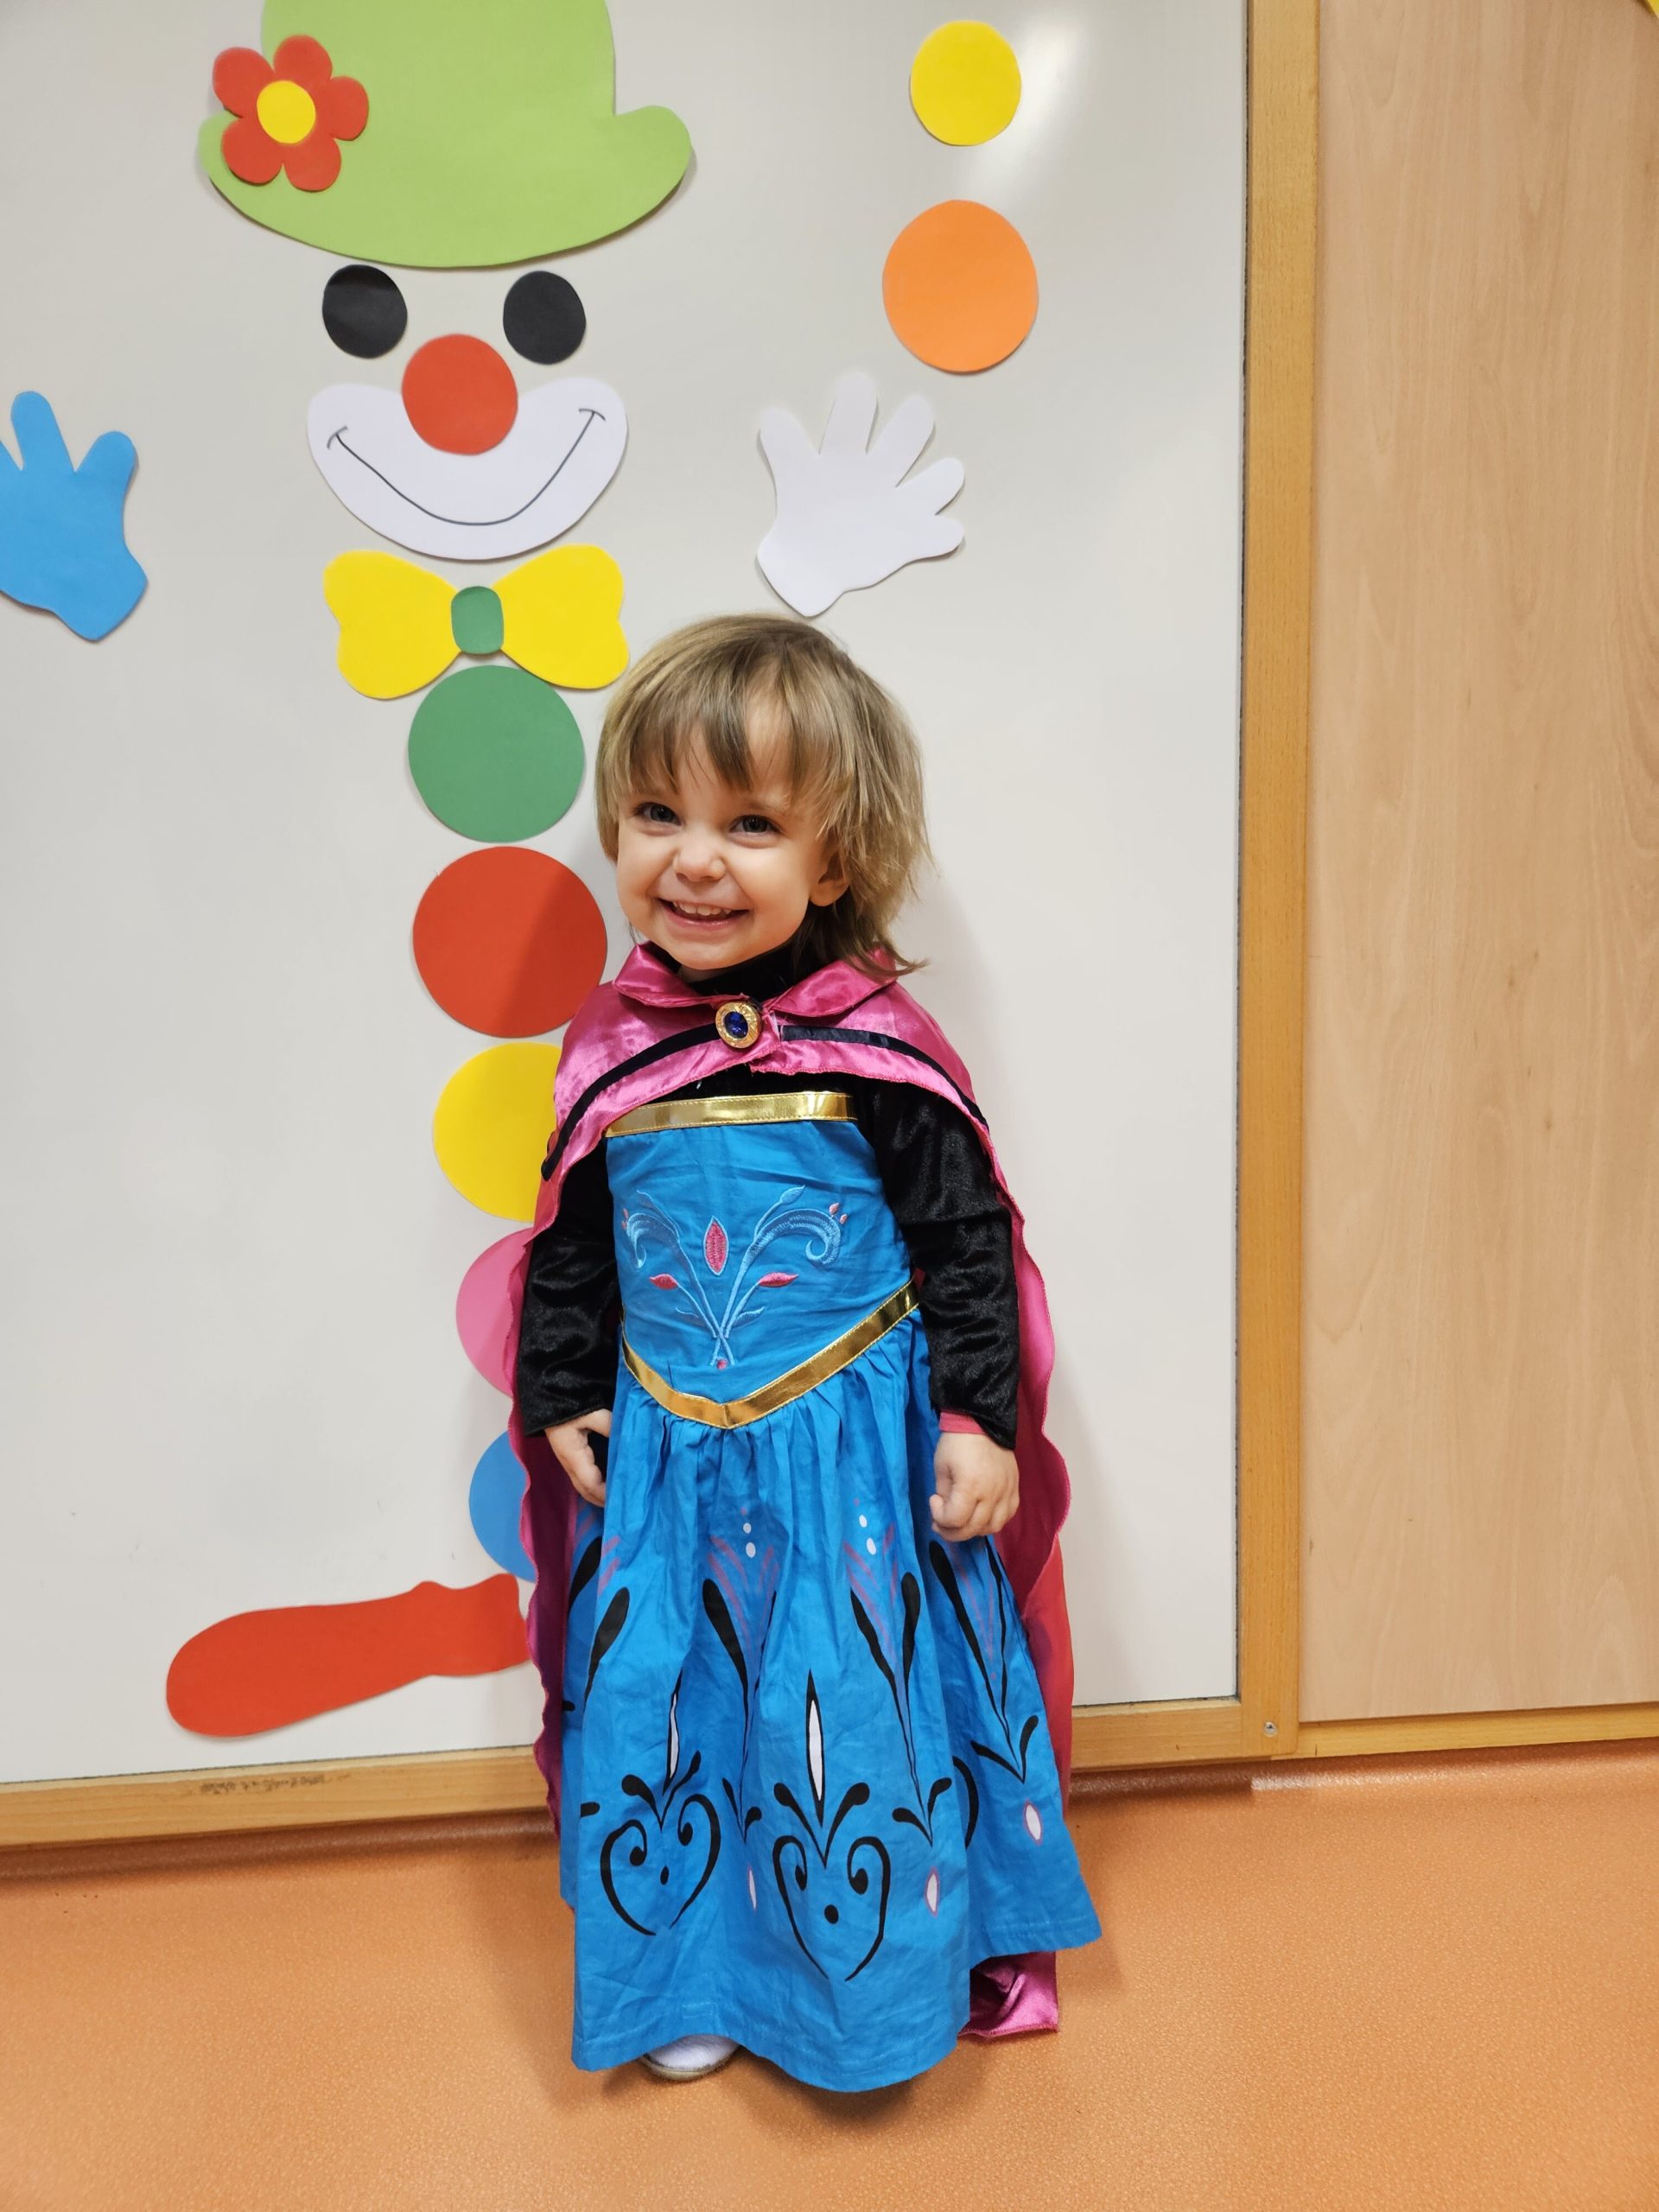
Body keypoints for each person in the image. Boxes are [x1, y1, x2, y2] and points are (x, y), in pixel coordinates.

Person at [505, 613, 1101, 2093]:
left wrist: (977, 1419)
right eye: (659, 813)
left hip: (853, 1471)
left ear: (832, 863)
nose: (695, 860)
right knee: (684, 1706)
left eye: (752, 825)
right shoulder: (610, 1046)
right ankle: (691, 1972)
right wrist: (563, 1383)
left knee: (842, 1709)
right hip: (673, 1465)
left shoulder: (877, 1043)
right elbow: (570, 1241)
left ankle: (870, 1986)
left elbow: (967, 1239)